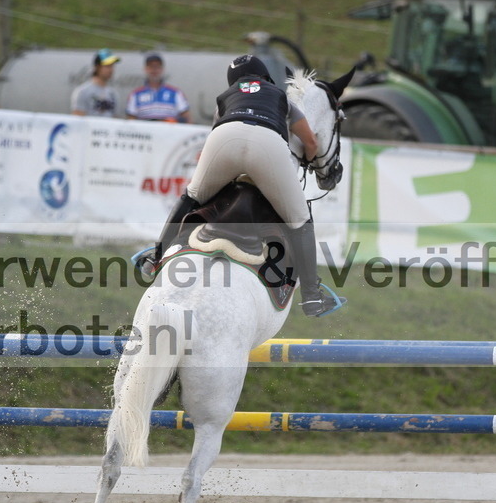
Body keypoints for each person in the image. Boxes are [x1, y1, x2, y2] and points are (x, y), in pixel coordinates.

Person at [140, 54, 344, 317]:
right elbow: (311, 144)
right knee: (300, 219)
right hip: (268, 143)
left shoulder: (226, 96)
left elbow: (215, 138)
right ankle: (312, 297)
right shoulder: (280, 97)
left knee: (191, 196)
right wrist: (306, 160)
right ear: (265, 77)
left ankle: (154, 258)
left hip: (225, 138)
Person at [126, 53, 191, 123]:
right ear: (145, 69)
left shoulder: (175, 92)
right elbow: (130, 120)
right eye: (151, 67)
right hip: (145, 131)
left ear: (162, 69)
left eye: (157, 67)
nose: (154, 70)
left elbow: (187, 118)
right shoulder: (136, 94)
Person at [71, 49, 120, 117]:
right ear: (97, 67)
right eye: (107, 66)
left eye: (112, 66)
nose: (111, 70)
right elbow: (78, 118)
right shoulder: (83, 91)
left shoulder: (113, 93)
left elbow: (115, 119)